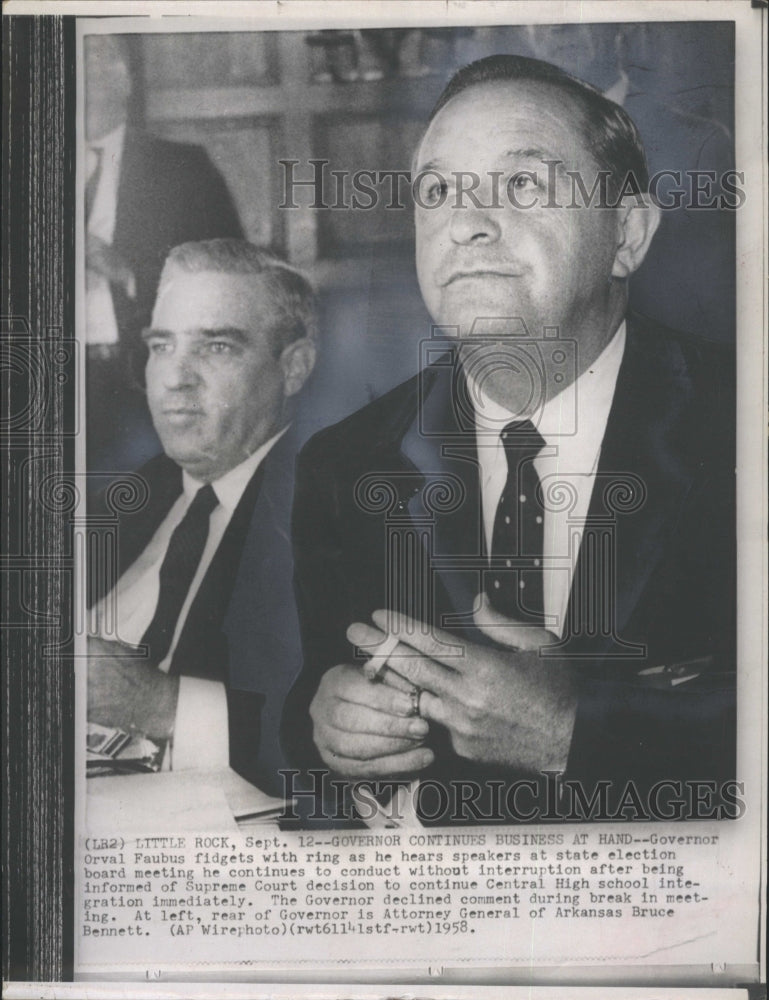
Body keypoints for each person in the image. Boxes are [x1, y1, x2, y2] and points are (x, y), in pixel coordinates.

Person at [284, 55, 736, 824]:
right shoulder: (345, 463)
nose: (465, 222)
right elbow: (317, 696)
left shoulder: (740, 429)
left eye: (522, 184)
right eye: (436, 191)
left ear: (625, 233)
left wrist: (575, 731)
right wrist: (328, 725)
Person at [88, 239, 317, 795]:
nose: (174, 379)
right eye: (161, 346)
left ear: (293, 368)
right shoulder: (132, 493)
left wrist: (162, 707)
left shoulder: (335, 515)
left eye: (216, 347)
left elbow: (339, 742)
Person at [84, 34, 243, 471]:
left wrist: (128, 272)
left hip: (150, 380)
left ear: (127, 81)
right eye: (76, 60)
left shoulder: (183, 169)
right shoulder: (23, 167)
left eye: (102, 61)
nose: (87, 74)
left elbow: (230, 279)